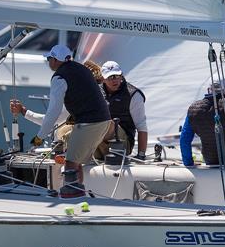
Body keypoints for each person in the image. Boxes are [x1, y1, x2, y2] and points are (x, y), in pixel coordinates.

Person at [34, 45, 111, 191]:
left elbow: (53, 112)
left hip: (90, 123)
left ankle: (71, 195)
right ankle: (78, 191)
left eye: (49, 59)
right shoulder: (81, 69)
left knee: (70, 163)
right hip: (104, 121)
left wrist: (39, 137)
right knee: (76, 161)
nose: (48, 62)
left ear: (56, 60)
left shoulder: (59, 77)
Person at [180, 75, 225, 166]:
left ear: (208, 89)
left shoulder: (194, 109)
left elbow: (184, 139)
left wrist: (188, 163)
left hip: (211, 161)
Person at [97, 61, 148, 160]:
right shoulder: (96, 92)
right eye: (110, 77)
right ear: (103, 79)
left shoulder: (134, 95)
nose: (114, 80)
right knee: (66, 129)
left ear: (121, 75)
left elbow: (141, 126)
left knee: (107, 124)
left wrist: (141, 155)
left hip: (123, 144)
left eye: (117, 76)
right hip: (99, 140)